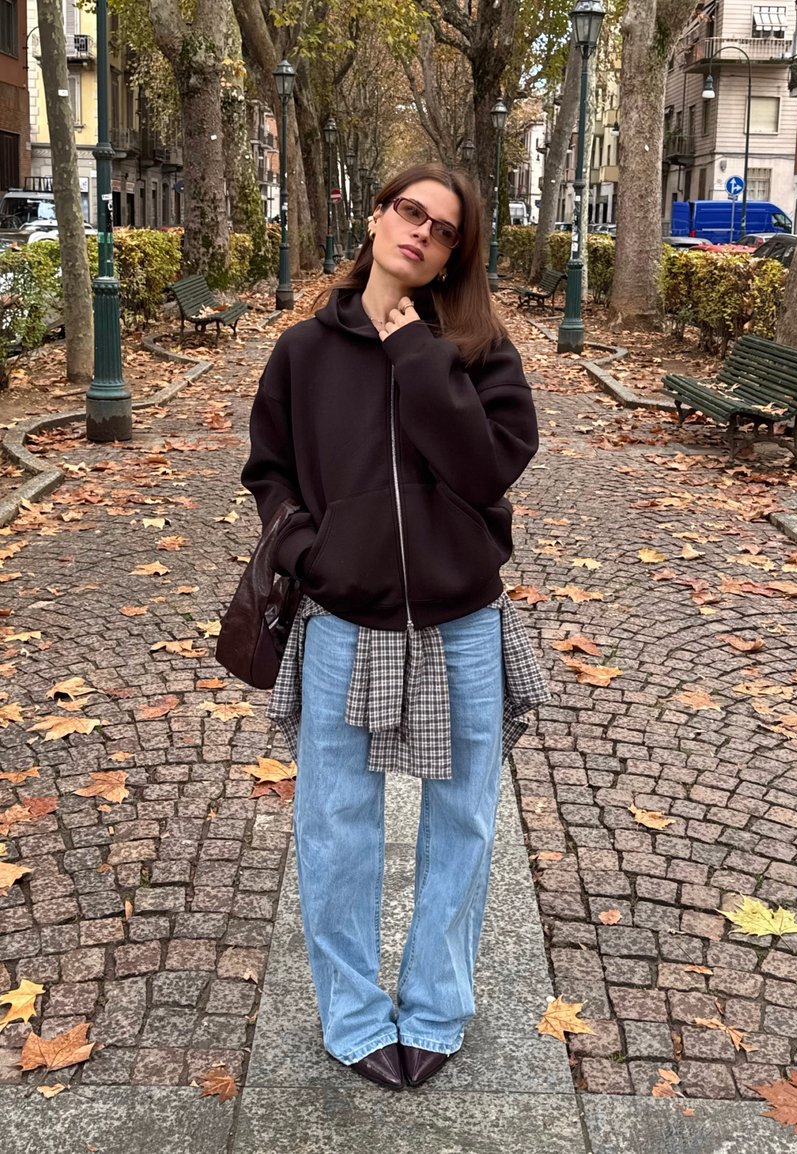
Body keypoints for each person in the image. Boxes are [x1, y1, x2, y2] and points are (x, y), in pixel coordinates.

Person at [241, 162, 549, 1091]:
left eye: (443, 228)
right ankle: (353, 1015)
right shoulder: (303, 351)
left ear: (457, 252)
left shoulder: (481, 352)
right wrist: (309, 552)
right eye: (408, 212)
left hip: (462, 623)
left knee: (463, 824)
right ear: (376, 217)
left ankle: (437, 1007)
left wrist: (418, 351)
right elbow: (269, 470)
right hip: (346, 619)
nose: (420, 231)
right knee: (337, 826)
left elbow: (486, 470)